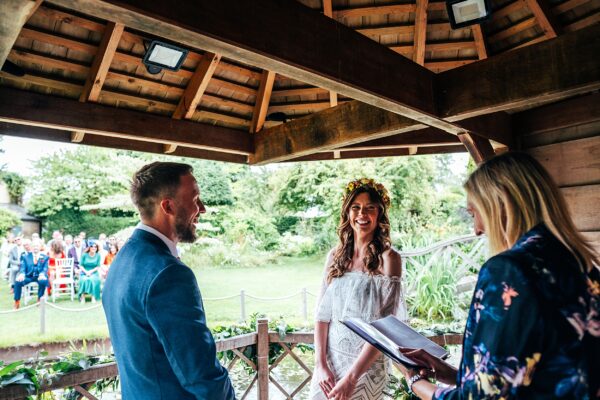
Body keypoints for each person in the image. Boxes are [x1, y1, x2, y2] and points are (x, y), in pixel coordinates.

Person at [395, 152, 600, 399]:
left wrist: (417, 383)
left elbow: (484, 397)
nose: (477, 229)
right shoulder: (580, 265)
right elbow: (529, 371)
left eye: (475, 213)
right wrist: (449, 372)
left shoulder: (509, 271)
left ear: (502, 204)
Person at [103, 162, 235, 400]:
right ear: (168, 206)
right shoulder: (168, 274)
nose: (202, 209)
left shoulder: (122, 261)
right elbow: (200, 374)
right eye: (195, 199)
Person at [309, 178, 405, 400]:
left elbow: (385, 327)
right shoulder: (335, 257)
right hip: (331, 365)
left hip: (366, 370)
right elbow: (322, 316)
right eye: (356, 207)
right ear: (348, 213)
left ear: (379, 214)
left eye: (370, 208)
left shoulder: (389, 259)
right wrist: (321, 365)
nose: (362, 214)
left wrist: (352, 378)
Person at [13, 239, 48, 309]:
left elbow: (45, 268)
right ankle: (17, 301)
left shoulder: (45, 257)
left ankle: (39, 299)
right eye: (34, 246)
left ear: (40, 247)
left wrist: (42, 274)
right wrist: (22, 274)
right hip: (28, 276)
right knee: (17, 282)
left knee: (43, 281)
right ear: (31, 247)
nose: (35, 247)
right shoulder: (25, 257)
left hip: (39, 276)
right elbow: (23, 267)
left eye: (37, 246)